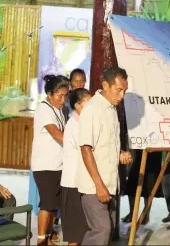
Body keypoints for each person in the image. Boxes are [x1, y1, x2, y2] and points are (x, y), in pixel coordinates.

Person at [76, 68, 133, 245]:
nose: (122, 95)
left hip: (110, 183)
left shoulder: (111, 109)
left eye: (124, 91)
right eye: (118, 90)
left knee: (108, 233)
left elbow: (105, 146)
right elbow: (86, 149)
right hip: (95, 186)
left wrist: (120, 154)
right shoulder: (92, 109)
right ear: (105, 85)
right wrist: (99, 185)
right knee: (102, 230)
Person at [31, 74, 69, 245]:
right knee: (47, 203)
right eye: (60, 96)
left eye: (65, 95)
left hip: (58, 164)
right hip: (45, 165)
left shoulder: (59, 110)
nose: (63, 100)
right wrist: (77, 144)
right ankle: (40, 239)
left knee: (54, 204)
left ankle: (48, 236)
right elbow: (56, 133)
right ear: (49, 94)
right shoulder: (44, 108)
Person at [60, 88, 91, 245]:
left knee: (81, 232)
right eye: (89, 102)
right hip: (73, 184)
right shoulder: (75, 125)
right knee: (75, 235)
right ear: (78, 106)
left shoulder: (80, 123)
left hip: (78, 183)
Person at [121, 150, 164, 225]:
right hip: (140, 150)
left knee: (149, 186)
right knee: (132, 183)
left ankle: (145, 215)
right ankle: (132, 213)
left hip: (154, 154)